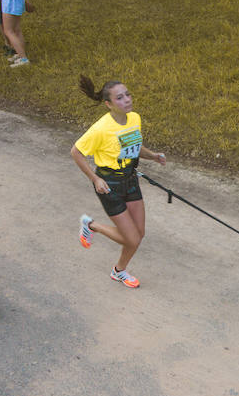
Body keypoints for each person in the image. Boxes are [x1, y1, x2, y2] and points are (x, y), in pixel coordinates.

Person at [71, 76, 167, 289]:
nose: (126, 100)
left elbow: (135, 145)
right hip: (109, 184)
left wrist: (153, 156)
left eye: (127, 94)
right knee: (131, 239)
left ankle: (118, 271)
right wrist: (95, 179)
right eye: (120, 97)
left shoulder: (134, 118)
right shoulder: (101, 129)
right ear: (109, 104)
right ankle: (91, 225)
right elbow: (76, 152)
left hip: (130, 179)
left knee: (138, 234)